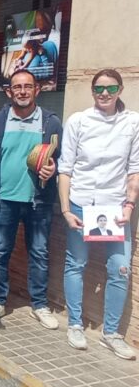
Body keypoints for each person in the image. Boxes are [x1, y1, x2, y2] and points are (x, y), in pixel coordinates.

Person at [58, 69, 139, 359]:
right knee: (76, 263)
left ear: (120, 90)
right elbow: (65, 168)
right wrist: (66, 209)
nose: (105, 94)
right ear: (92, 91)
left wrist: (129, 206)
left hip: (114, 207)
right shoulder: (79, 121)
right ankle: (76, 324)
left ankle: (112, 333)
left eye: (111, 88)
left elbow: (134, 169)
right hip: (81, 202)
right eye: (99, 89)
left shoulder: (132, 122)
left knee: (120, 268)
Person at [0, 69, 62, 330]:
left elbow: (62, 159)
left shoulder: (51, 122)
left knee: (39, 252)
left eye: (28, 86)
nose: (23, 91)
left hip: (39, 200)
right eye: (17, 87)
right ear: (8, 91)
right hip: (4, 199)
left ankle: (39, 304)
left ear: (37, 89)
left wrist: (54, 168)